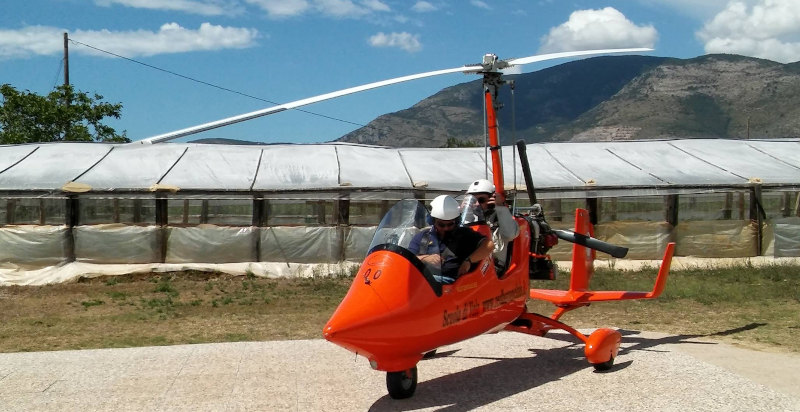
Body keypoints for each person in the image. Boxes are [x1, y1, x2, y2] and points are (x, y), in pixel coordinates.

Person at [408, 195, 494, 284]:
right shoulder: (422, 237)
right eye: (441, 224)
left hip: (453, 284)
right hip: (424, 284)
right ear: (432, 221)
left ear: (456, 221)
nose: (446, 228)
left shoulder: (465, 234)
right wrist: (425, 258)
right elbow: (407, 259)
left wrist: (468, 261)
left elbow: (489, 245)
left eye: (450, 224)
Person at [466, 179, 520, 269]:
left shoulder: (500, 216)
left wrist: (500, 207)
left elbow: (510, 234)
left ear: (492, 198)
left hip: (492, 268)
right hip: (472, 263)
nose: (476, 204)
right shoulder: (469, 217)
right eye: (472, 200)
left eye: (481, 200)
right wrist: (463, 212)